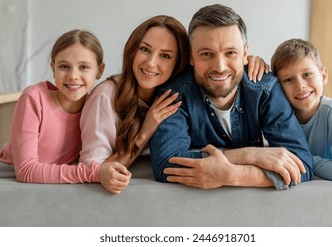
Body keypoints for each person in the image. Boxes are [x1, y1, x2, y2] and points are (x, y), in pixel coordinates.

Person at [79, 15, 269, 194]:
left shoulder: (177, 94)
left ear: (182, 62)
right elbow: (91, 173)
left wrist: (246, 62)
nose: (151, 63)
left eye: (165, 56)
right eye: (144, 49)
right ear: (132, 49)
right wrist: (145, 132)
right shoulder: (105, 96)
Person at [149, 4, 314, 190]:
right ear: (191, 57)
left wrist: (233, 175)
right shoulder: (174, 94)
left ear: (245, 54)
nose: (220, 66)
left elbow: (302, 165)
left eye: (230, 53)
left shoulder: (265, 89)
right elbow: (166, 166)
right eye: (206, 54)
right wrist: (250, 155)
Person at [0, 29, 121, 192]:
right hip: (5, 175)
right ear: (53, 68)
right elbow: (25, 171)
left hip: (53, 184)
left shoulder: (95, 108)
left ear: (100, 70)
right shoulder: (34, 98)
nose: (73, 75)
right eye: (64, 66)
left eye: (83, 67)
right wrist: (94, 173)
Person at [270, 38, 332, 184]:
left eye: (307, 74)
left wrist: (305, 159)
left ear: (323, 76)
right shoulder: (278, 117)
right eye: (288, 80)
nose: (300, 86)